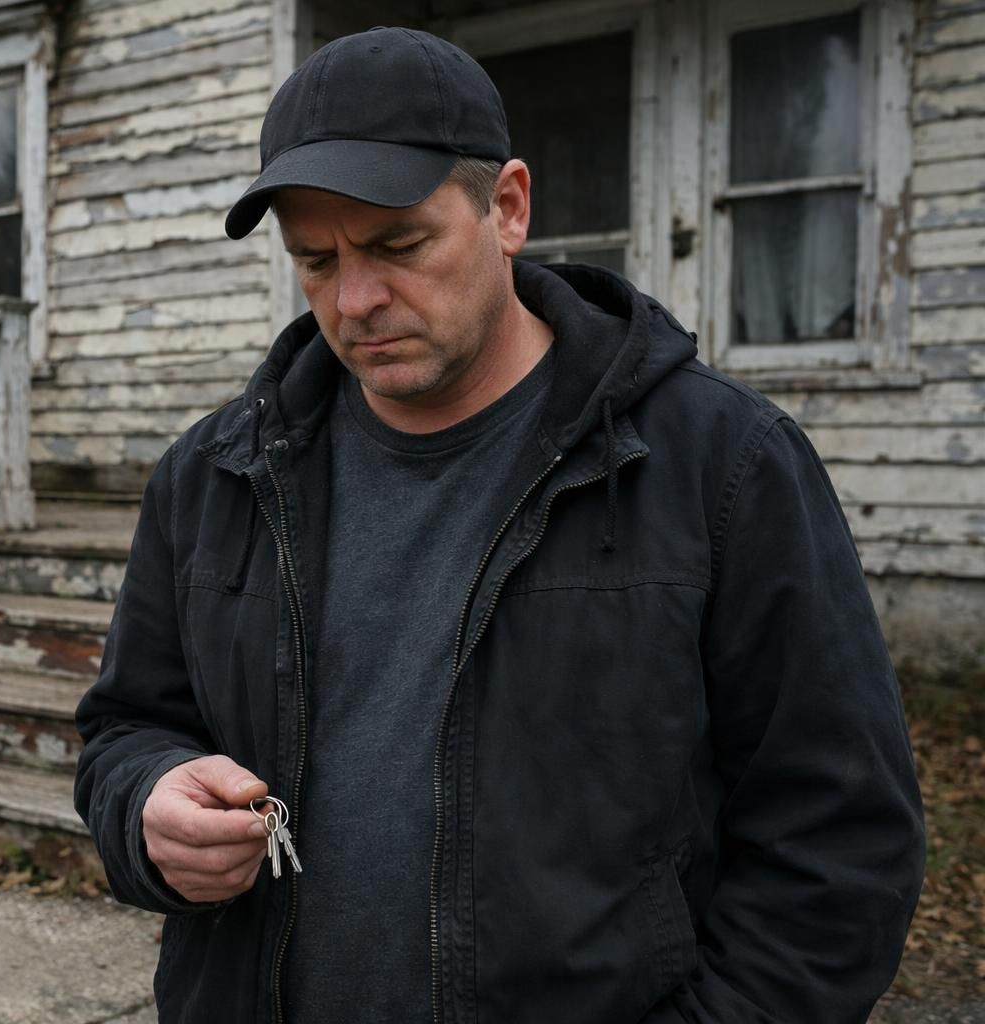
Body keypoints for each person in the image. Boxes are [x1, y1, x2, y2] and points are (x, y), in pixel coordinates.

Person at [73, 25, 925, 1024]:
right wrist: (147, 806)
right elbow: (125, 729)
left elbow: (837, 844)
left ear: (507, 208)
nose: (355, 299)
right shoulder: (213, 477)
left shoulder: (722, 466)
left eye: (398, 245)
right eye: (315, 259)